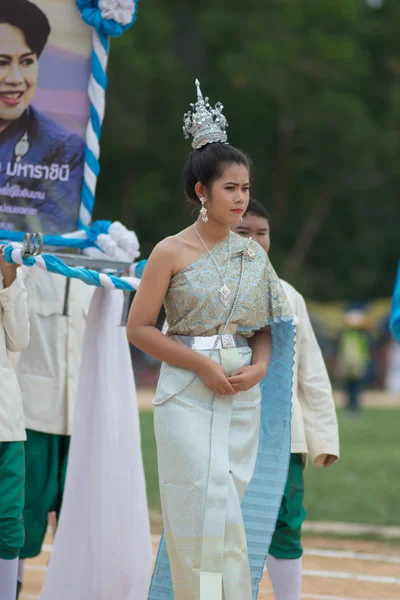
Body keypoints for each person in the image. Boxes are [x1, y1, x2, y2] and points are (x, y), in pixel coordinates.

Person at [127, 80, 295, 600]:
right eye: (230, 188)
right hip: (186, 392)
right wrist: (200, 366)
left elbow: (266, 327)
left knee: (227, 509)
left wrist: (261, 366)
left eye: (245, 188)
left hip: (240, 394)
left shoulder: (253, 256)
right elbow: (139, 328)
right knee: (196, 506)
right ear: (202, 191)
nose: (241, 198)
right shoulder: (170, 252)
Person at [233, 198, 339, 600]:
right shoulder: (200, 285)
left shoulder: (290, 297)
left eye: (262, 233)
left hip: (284, 437)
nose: (255, 240)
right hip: (227, 431)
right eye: (244, 232)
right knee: (229, 523)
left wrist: (323, 439)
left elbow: (311, 373)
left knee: (285, 522)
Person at [15, 269, 93, 598]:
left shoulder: (98, 267)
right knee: (21, 512)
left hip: (84, 414)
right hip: (31, 412)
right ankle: (11, 585)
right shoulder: (21, 265)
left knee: (80, 516)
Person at [0, 0, 84, 235]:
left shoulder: (63, 148)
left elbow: (50, 241)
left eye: (26, 61)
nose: (16, 78)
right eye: (1, 62)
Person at [0, 249, 30, 600]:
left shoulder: (6, 265)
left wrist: (10, 278)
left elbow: (19, 340)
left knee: (9, 522)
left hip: (5, 421)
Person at [336, 310, 370, 412]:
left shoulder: (349, 335)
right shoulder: (359, 336)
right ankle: (352, 407)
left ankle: (352, 406)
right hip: (352, 365)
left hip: (354, 365)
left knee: (353, 388)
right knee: (352, 388)